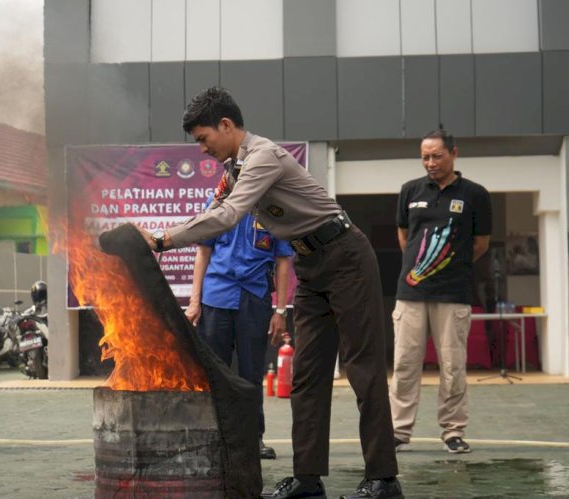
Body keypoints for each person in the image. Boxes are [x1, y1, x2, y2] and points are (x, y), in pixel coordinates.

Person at [135, 87, 403, 499]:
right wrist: (161, 235)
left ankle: (384, 480)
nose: (202, 149)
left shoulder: (263, 157)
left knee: (363, 370)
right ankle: (307, 480)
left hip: (346, 257)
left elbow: (227, 216)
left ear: (226, 125)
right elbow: (212, 211)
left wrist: (162, 240)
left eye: (204, 138)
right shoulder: (233, 169)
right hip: (309, 265)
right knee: (307, 377)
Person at [389, 130, 491, 455]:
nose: (430, 163)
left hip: (453, 294)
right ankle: (399, 431)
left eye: (436, 156)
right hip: (411, 293)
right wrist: (422, 270)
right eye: (425, 157)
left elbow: (480, 244)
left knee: (452, 366)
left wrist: (450, 266)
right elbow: (405, 238)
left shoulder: (476, 194)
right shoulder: (410, 191)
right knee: (405, 364)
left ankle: (453, 431)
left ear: (453, 153)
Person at [185, 194, 293, 461]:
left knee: (251, 374)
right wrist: (194, 301)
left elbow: (283, 261)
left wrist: (280, 310)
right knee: (215, 373)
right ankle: (216, 439)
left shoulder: (274, 208)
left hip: (254, 300)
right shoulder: (218, 204)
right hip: (216, 297)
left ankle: (252, 439)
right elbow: (203, 252)